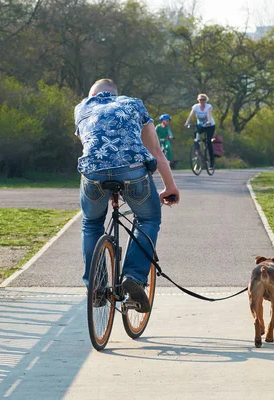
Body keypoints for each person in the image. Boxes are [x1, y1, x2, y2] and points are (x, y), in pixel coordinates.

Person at [74, 78, 180, 312]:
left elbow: (92, 148)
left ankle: (96, 286)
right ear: (114, 94)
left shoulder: (81, 108)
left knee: (91, 224)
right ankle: (133, 275)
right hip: (133, 172)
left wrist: (109, 186)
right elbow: (156, 152)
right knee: (149, 219)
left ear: (93, 95)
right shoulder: (133, 104)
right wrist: (170, 187)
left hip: (93, 175)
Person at [184, 93, 216, 167]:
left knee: (208, 142)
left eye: (203, 100)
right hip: (201, 125)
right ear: (198, 100)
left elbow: (209, 114)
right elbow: (191, 115)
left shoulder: (208, 107)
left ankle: (212, 162)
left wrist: (209, 121)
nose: (202, 101)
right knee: (195, 135)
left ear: (206, 100)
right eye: (200, 100)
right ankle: (197, 149)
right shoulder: (195, 107)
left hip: (210, 126)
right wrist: (186, 123)